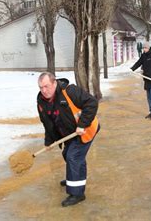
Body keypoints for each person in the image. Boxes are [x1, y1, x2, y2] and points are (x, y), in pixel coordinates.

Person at [37, 72, 100, 207]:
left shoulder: (69, 91)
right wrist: (49, 141)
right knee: (68, 154)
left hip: (86, 129)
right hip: (70, 133)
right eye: (41, 87)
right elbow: (47, 123)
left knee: (74, 157)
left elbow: (92, 103)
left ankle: (77, 194)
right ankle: (74, 177)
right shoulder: (41, 101)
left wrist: (82, 124)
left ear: (54, 83)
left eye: (46, 86)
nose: (44, 90)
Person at [131, 42, 151, 120]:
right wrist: (132, 69)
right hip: (146, 79)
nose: (144, 49)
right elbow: (138, 63)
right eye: (143, 48)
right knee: (149, 97)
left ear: (149, 48)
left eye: (145, 48)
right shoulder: (143, 56)